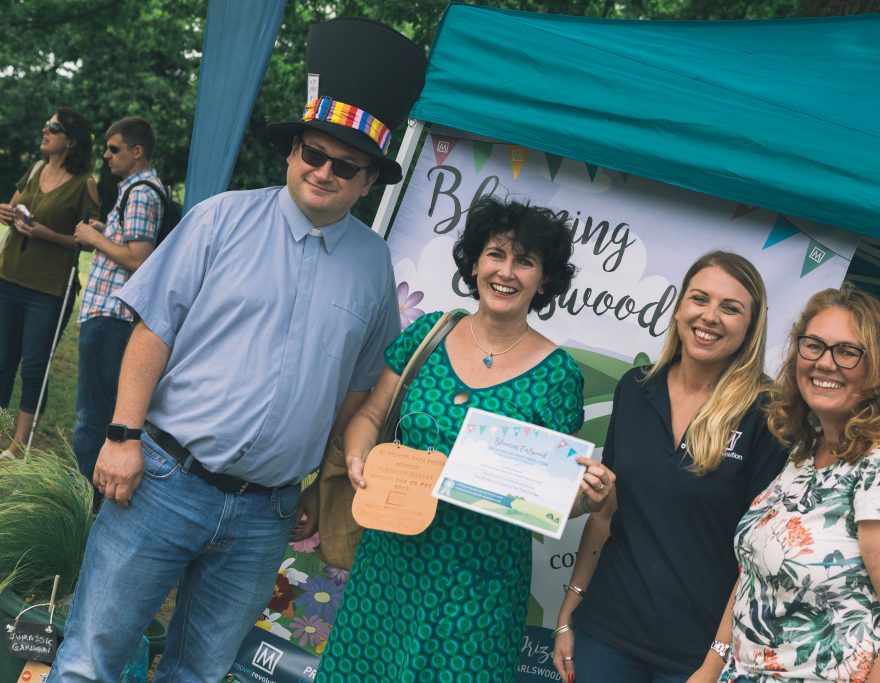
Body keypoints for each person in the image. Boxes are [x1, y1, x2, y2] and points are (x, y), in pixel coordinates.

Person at [48, 18, 427, 683]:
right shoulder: (220, 218)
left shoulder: (373, 267)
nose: (324, 171)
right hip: (162, 479)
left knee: (200, 673)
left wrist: (319, 480)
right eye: (314, 153)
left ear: (369, 182)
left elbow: (355, 391)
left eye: (346, 166)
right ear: (292, 152)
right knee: (90, 661)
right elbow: (153, 330)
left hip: (266, 513)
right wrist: (120, 435)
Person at [316, 195, 613, 683]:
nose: (507, 272)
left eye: (526, 261)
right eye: (496, 254)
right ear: (475, 262)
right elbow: (370, 414)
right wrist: (356, 456)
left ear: (545, 280)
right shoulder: (431, 331)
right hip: (391, 562)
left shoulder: (558, 374)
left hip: (480, 583)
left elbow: (550, 494)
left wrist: (584, 499)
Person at [553, 251, 789, 683]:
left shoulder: (768, 415)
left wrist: (717, 659)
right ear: (679, 307)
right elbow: (608, 510)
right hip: (607, 636)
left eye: (730, 308)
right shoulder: (637, 388)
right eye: (700, 299)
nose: (710, 317)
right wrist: (571, 607)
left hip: (694, 655)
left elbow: (761, 554)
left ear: (751, 327)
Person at [719, 288, 880, 683]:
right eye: (814, 346)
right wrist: (709, 669)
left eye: (847, 352)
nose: (825, 363)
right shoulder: (806, 451)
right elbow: (753, 578)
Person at [72, 116, 165, 500]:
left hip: (112, 317)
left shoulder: (142, 192)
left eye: (114, 149)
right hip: (110, 316)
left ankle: (81, 503)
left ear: (137, 151)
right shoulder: (133, 191)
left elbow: (139, 259)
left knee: (91, 419)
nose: (106, 156)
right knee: (96, 414)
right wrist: (105, 231)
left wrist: (94, 237)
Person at [0, 108, 99, 457]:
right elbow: (13, 208)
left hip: (48, 290)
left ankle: (18, 445)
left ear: (70, 141)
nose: (44, 129)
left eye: (53, 127)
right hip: (8, 277)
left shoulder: (85, 182)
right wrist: (8, 214)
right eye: (46, 124)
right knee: (2, 361)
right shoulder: (36, 168)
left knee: (34, 367)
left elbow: (88, 240)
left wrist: (47, 234)